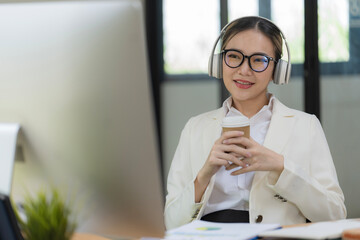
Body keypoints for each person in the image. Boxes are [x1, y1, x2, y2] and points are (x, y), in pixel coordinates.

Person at [164, 16, 347, 230]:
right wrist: (205, 173)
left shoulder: (305, 126)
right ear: (219, 62)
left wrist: (281, 167)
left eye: (258, 60)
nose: (244, 70)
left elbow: (335, 215)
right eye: (233, 56)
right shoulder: (195, 128)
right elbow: (170, 223)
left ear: (277, 70)